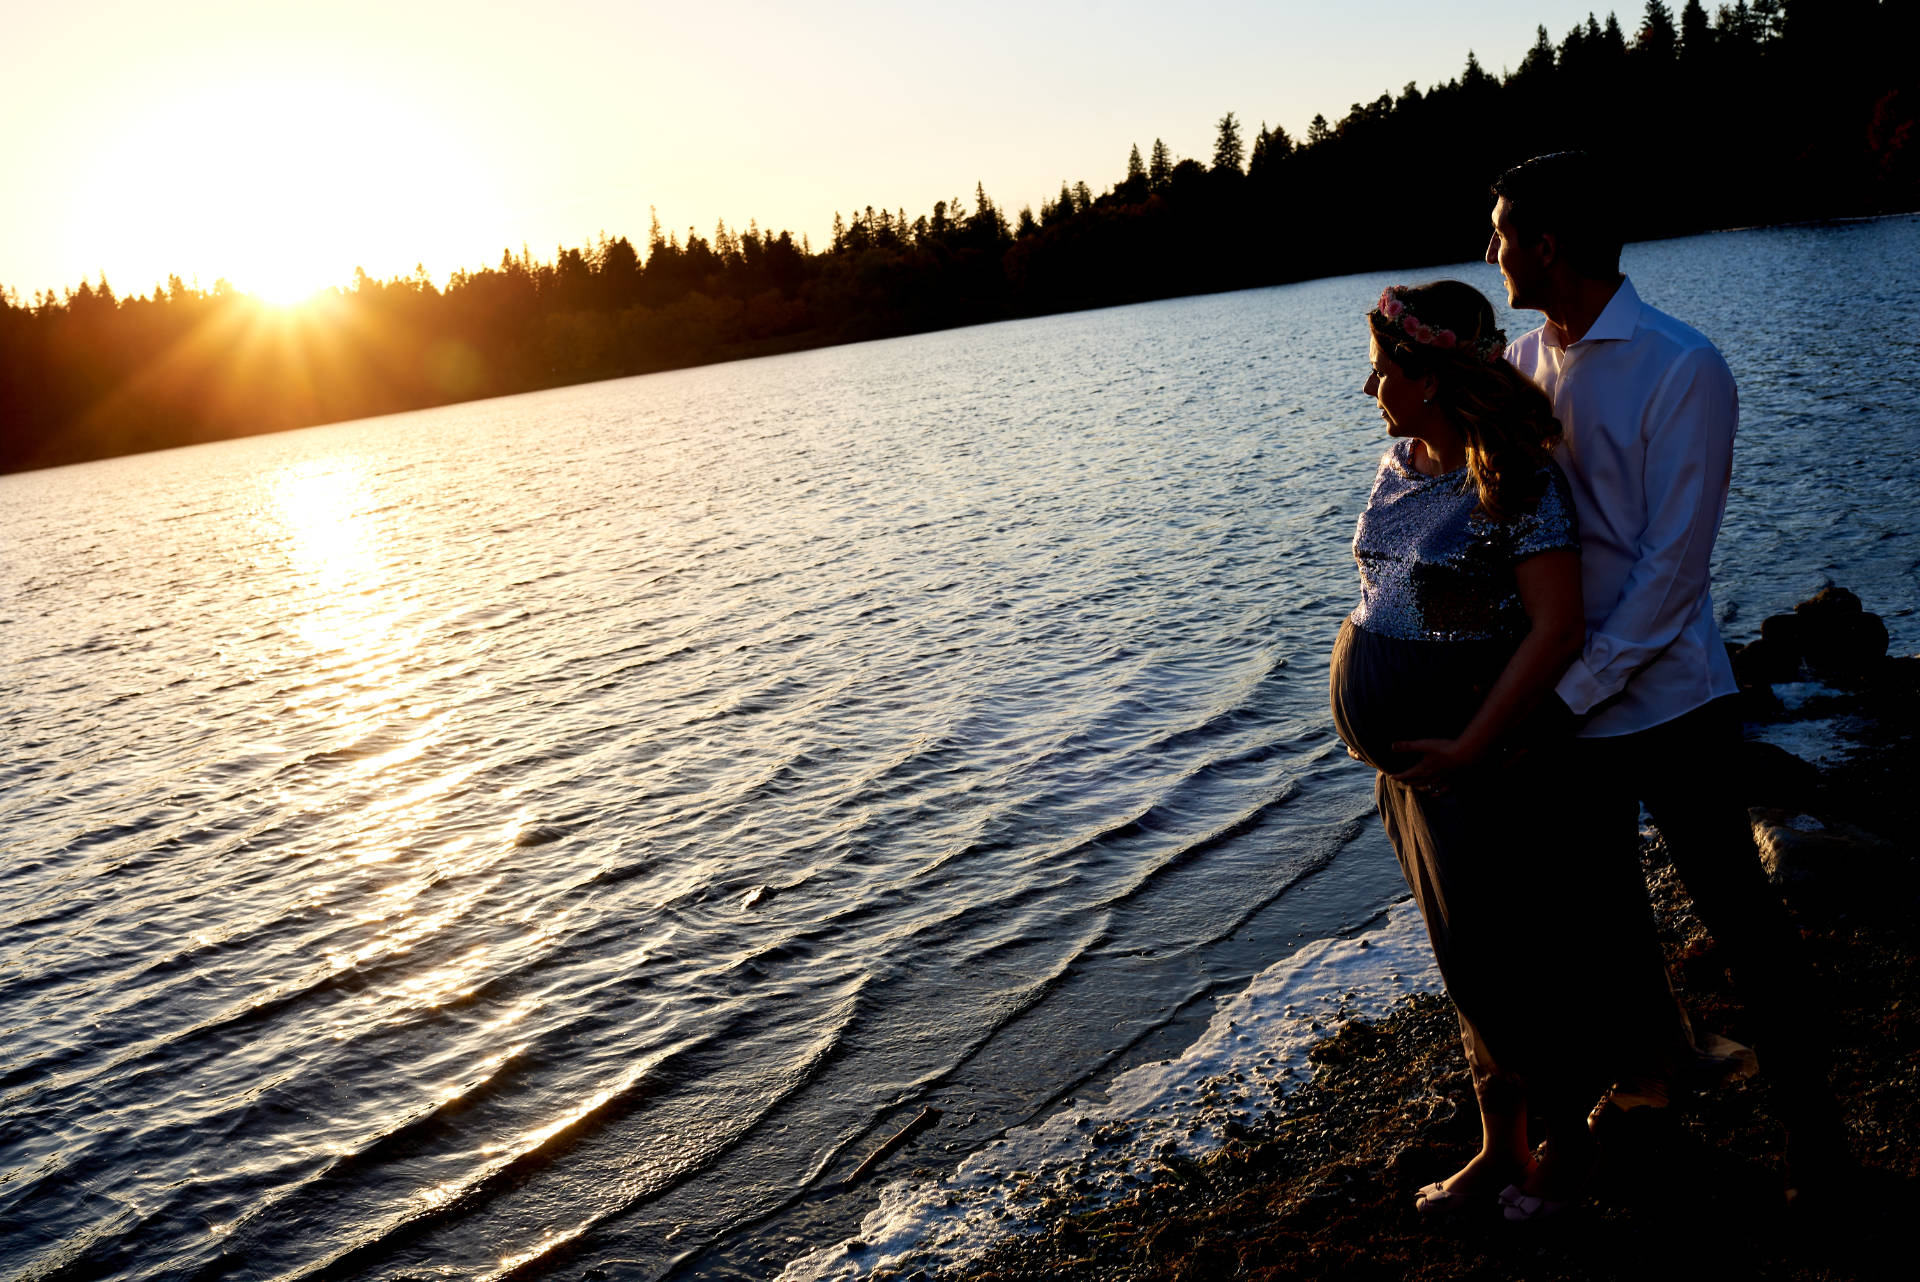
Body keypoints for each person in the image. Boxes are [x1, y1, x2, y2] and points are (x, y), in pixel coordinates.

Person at [1485, 150, 1847, 1198]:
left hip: (1670, 700)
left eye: (1504, 228)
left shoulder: (1684, 365)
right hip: (1568, 706)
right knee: (1597, 926)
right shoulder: (1517, 367)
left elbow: (1673, 567)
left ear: (1548, 244)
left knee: (1742, 920)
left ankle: (1818, 1140)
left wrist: (1568, 693)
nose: (1494, 247)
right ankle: (1645, 1099)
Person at [1329, 279, 1675, 1221]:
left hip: (1485, 761)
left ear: (1429, 376)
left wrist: (1477, 744)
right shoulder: (1401, 463)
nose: (1370, 390)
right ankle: (1499, 1147)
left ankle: (1565, 1153)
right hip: (1414, 773)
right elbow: (1397, 593)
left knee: (1519, 957)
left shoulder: (1515, 478)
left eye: (1382, 369)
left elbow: (1558, 627)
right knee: (1463, 959)